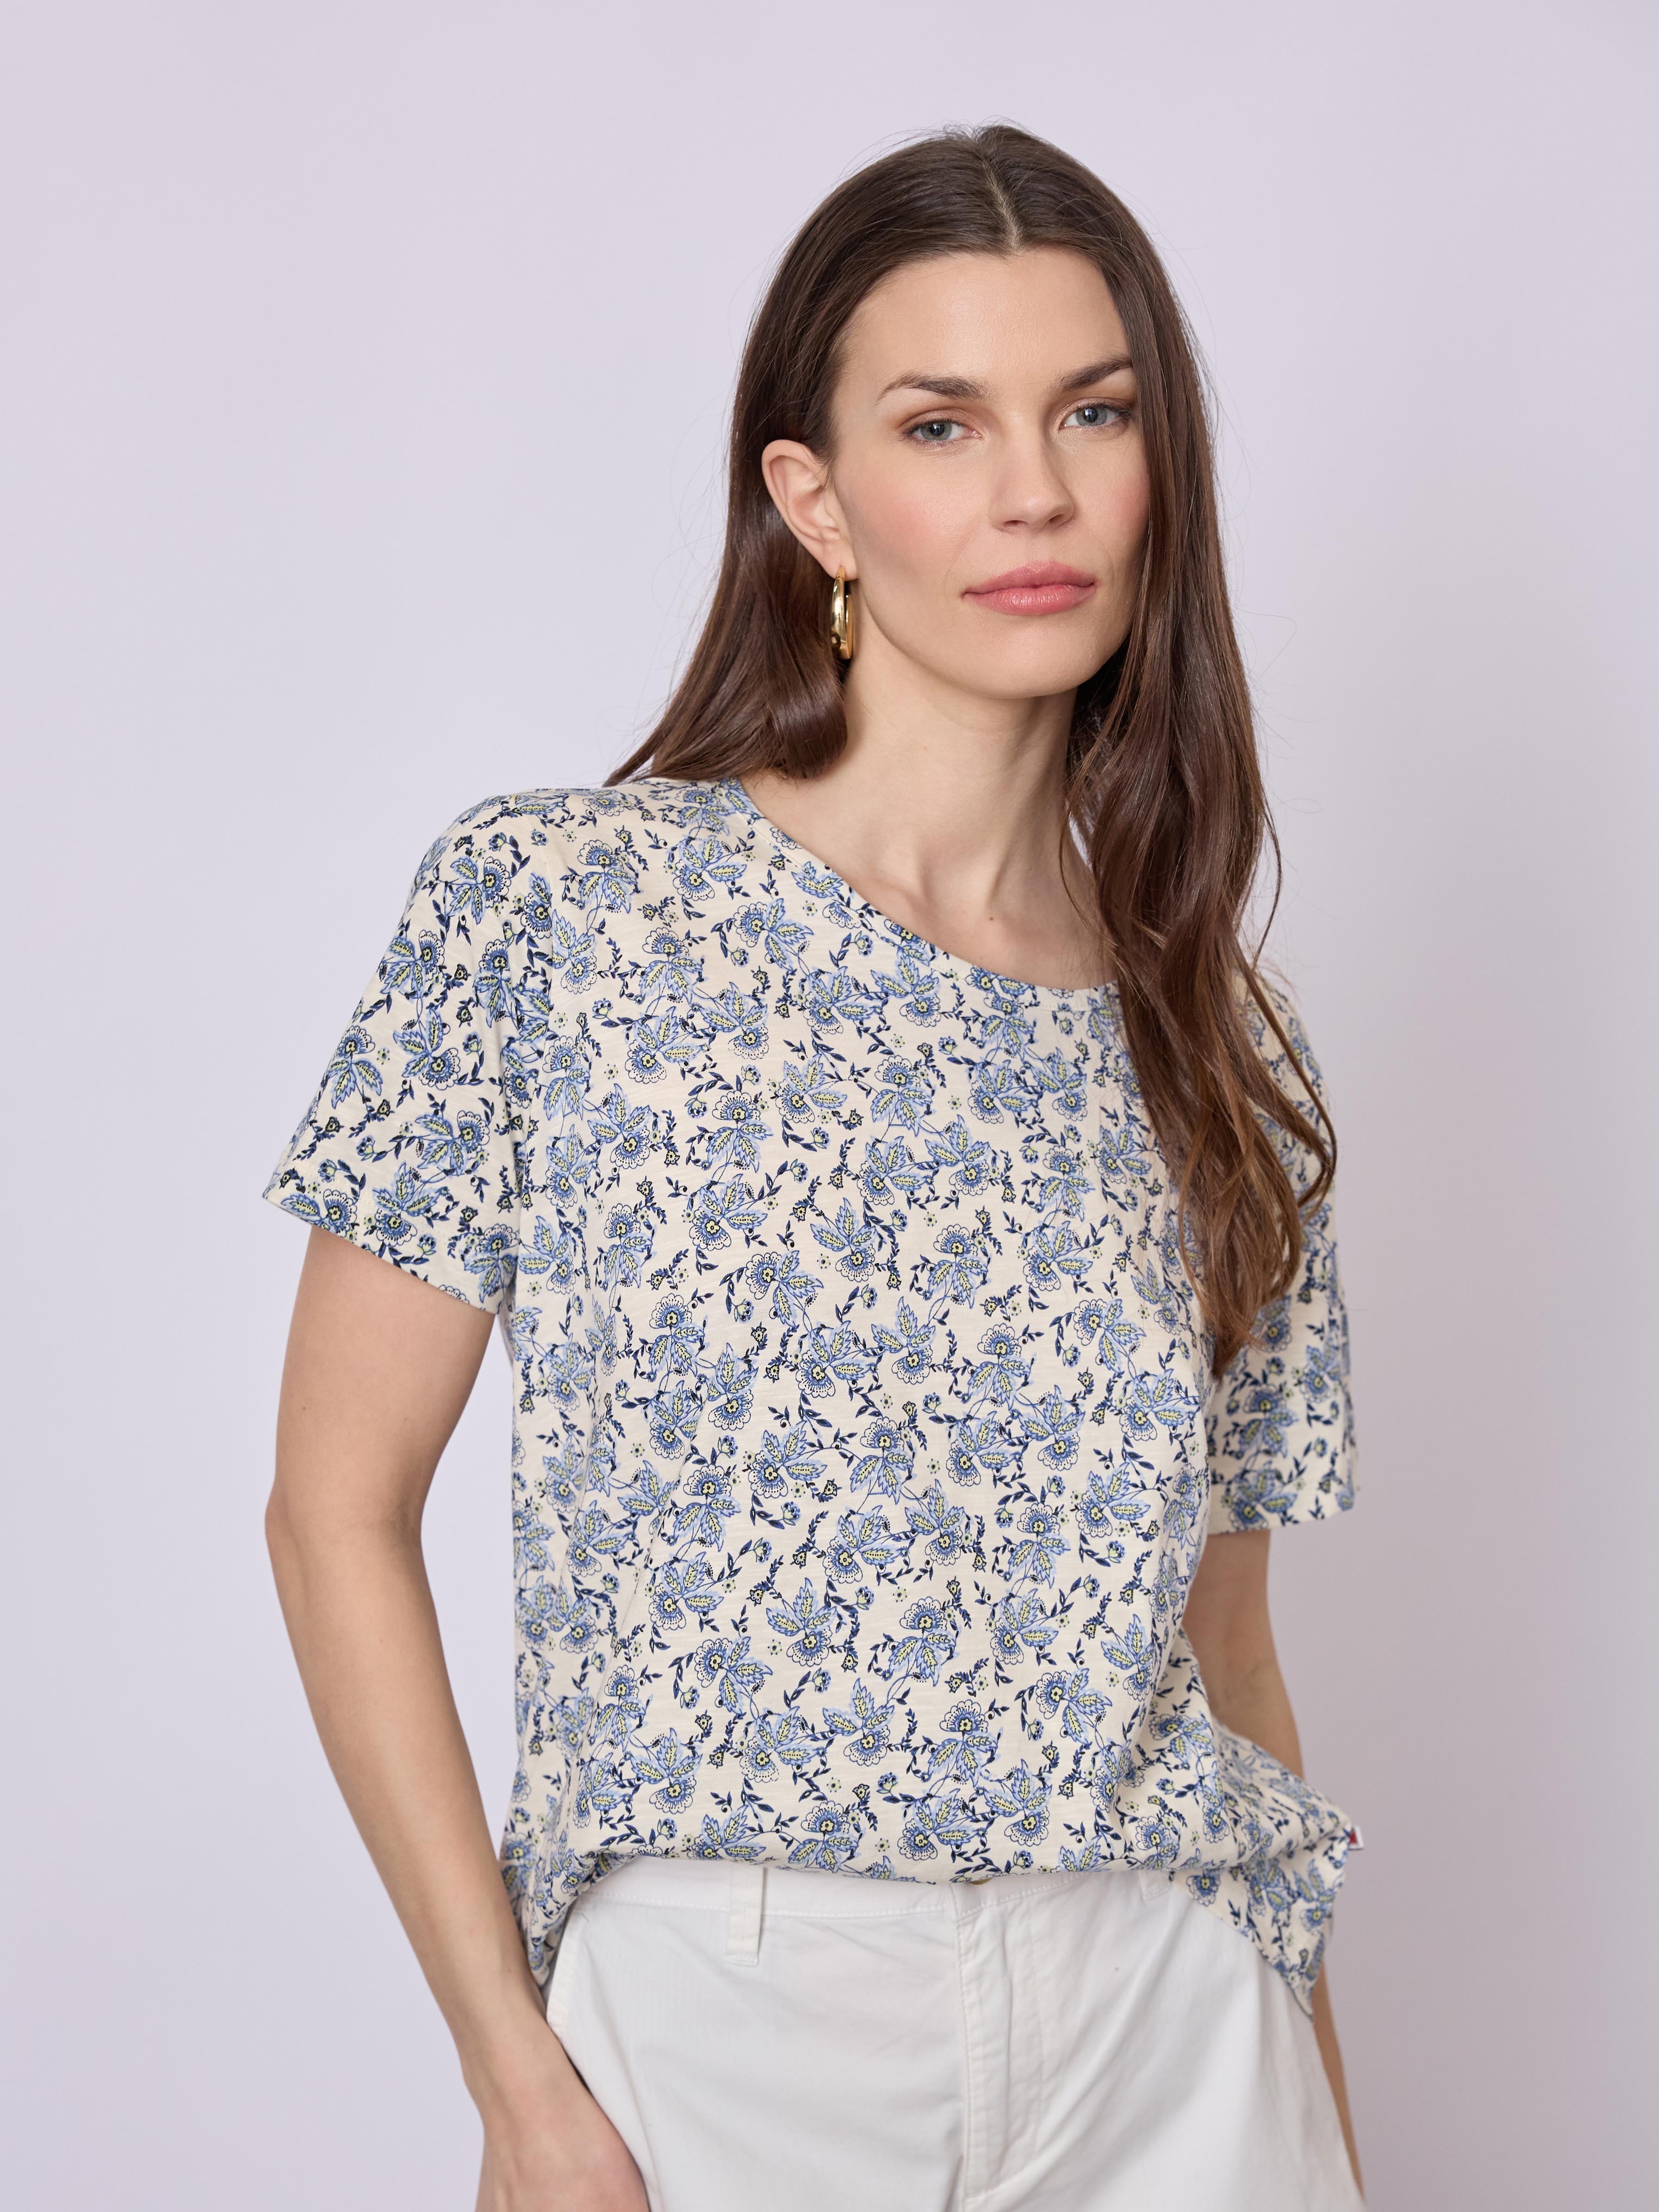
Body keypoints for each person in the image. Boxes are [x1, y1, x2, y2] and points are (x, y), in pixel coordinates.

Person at [264, 123, 1364, 2212]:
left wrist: (1330, 2133)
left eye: (1094, 412)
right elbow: (333, 1512)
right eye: (942, 424)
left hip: (1169, 2022)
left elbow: (1231, 1657)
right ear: (815, 499)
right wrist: (515, 2074)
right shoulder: (562, 911)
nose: (1034, 492)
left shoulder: (1223, 1038)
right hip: (726, 2014)